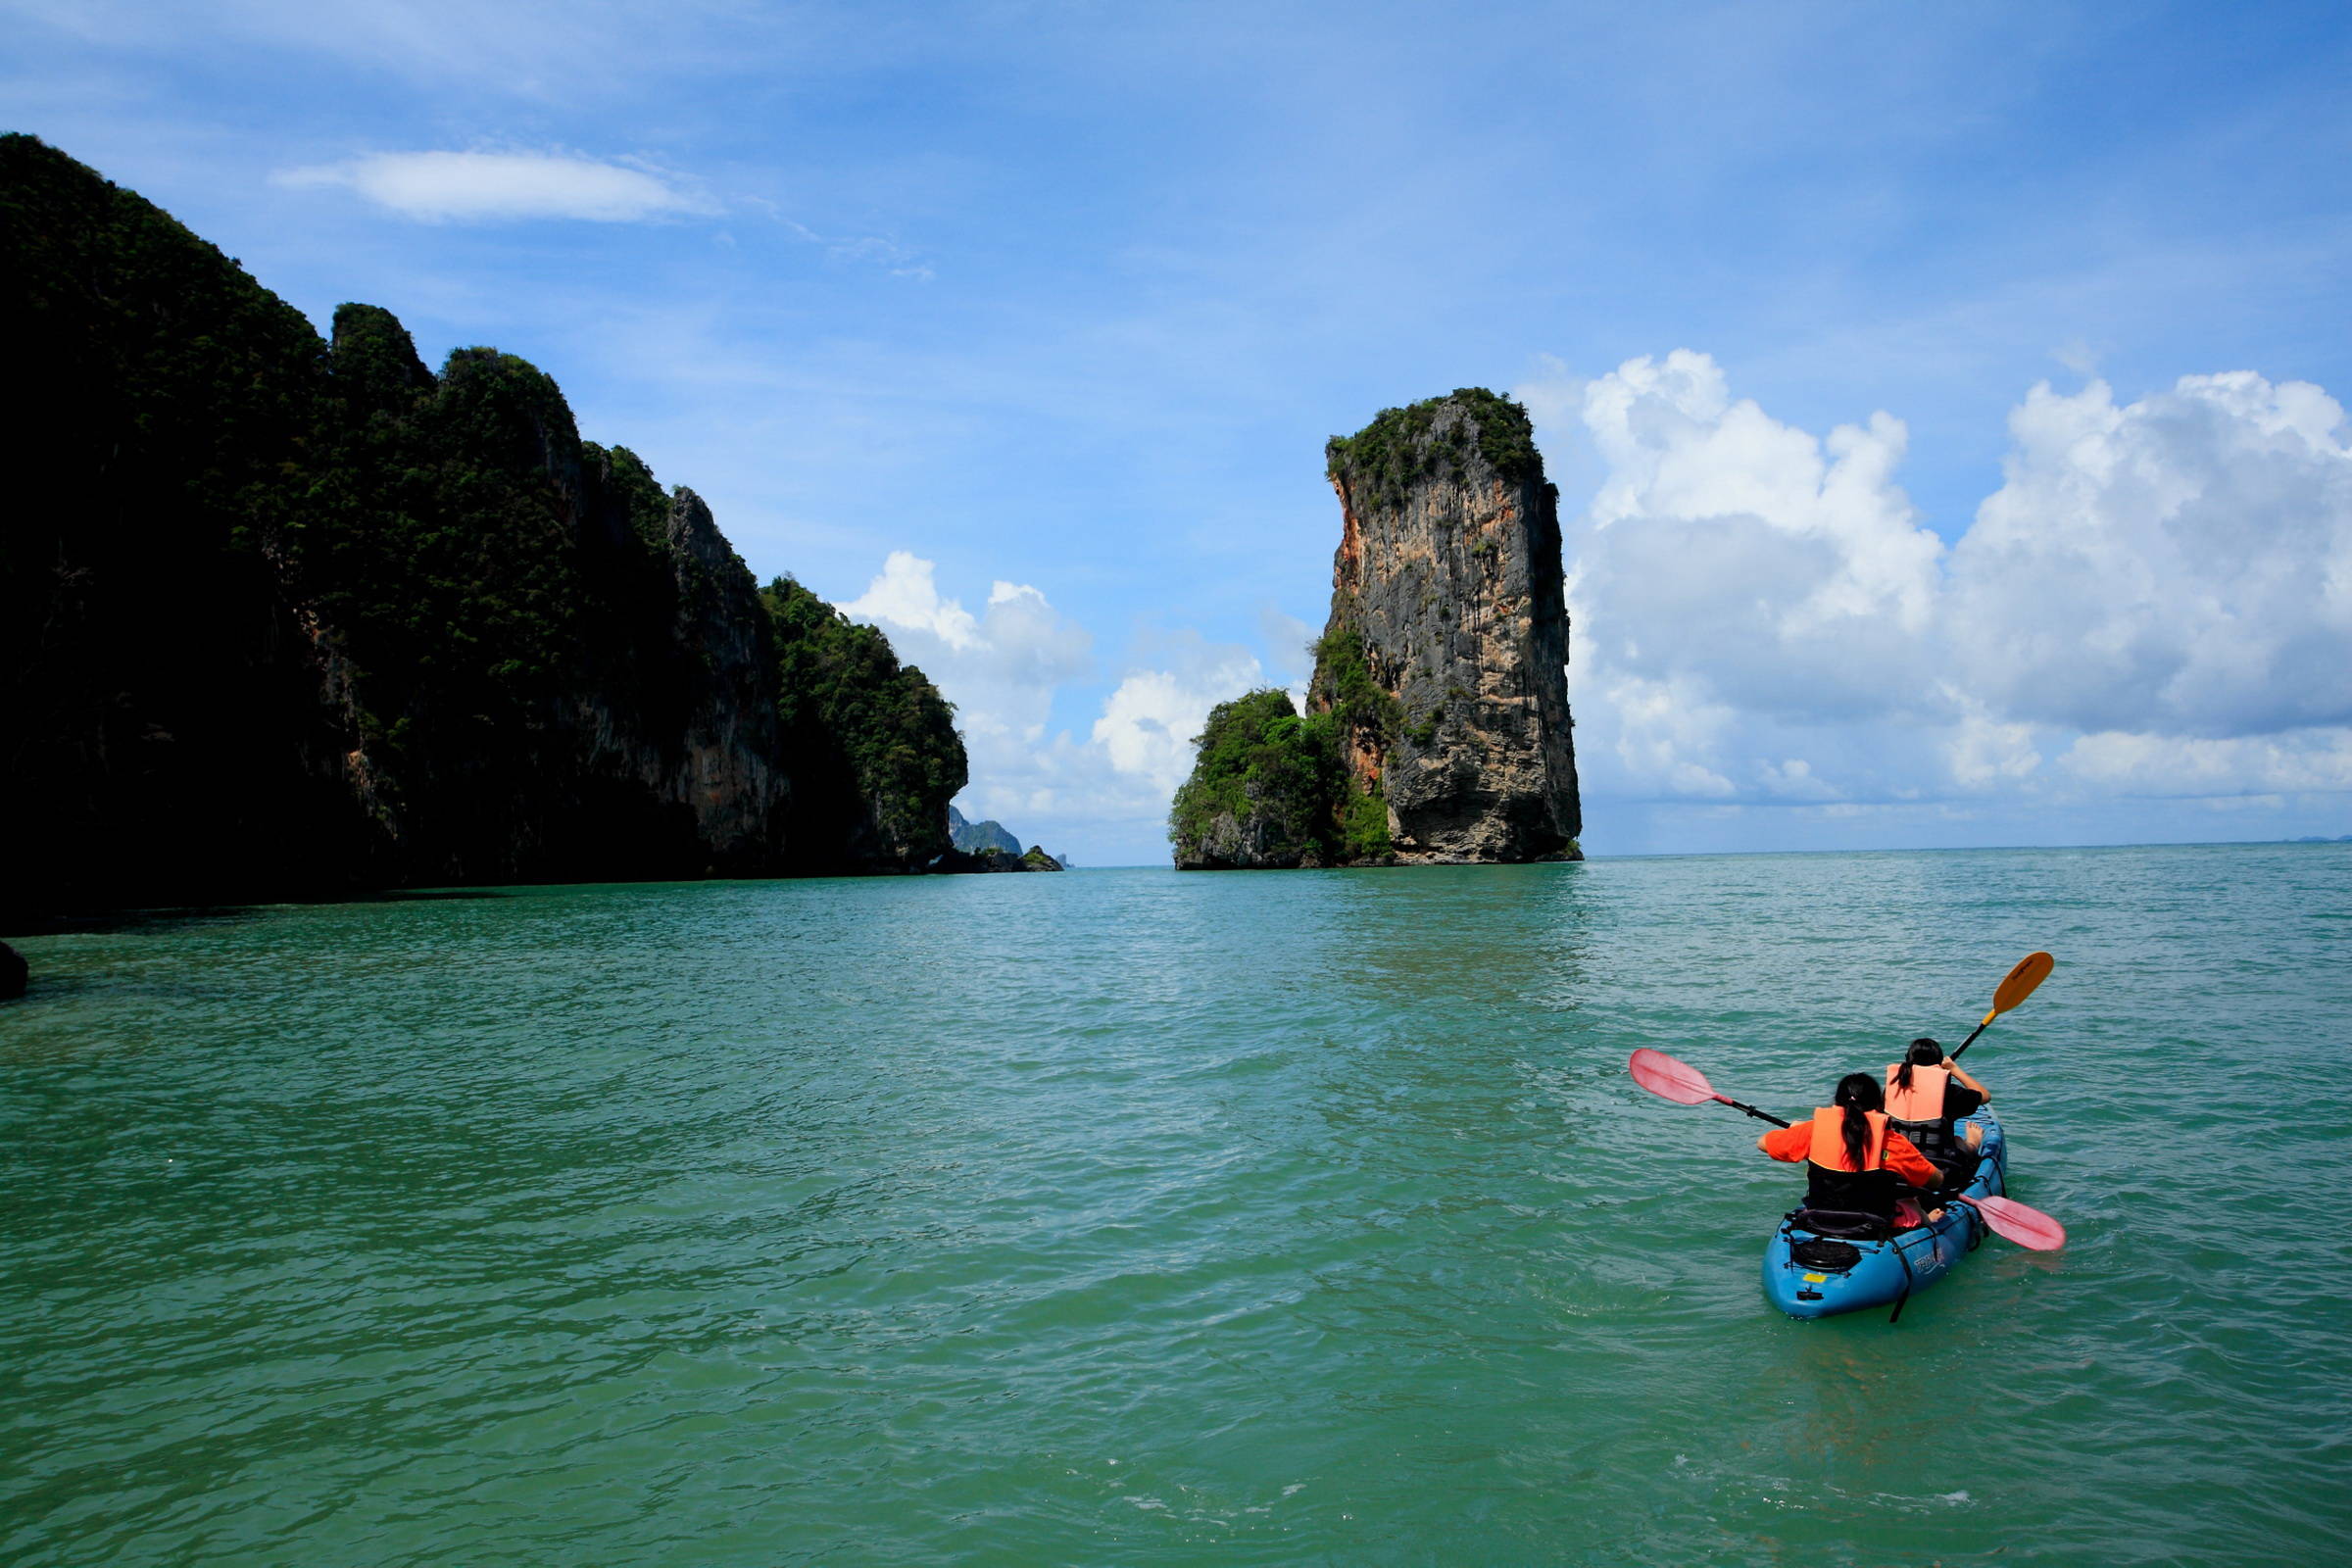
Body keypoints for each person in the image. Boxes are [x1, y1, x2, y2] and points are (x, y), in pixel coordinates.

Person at [1757, 1072, 1939, 1227]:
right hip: (1873, 1223)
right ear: (1877, 1104)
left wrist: (1801, 1132)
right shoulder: (1893, 1142)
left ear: (1836, 1103)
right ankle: (1929, 1223)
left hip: (1820, 1218)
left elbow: (1763, 1143)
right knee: (1912, 1203)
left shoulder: (1813, 1131)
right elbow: (1934, 1180)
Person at [1883, 1037, 1990, 1187]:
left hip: (1898, 1168)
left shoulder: (1890, 1091)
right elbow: (1984, 1096)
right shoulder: (1949, 1093)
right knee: (1959, 1141)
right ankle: (1973, 1143)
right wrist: (1954, 1069)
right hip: (1940, 1172)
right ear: (1939, 1064)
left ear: (1907, 1060)